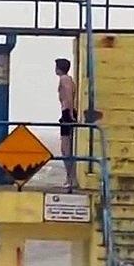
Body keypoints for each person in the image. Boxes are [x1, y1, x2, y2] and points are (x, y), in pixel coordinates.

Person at [54, 58, 79, 188]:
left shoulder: (65, 79)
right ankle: (69, 178)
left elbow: (68, 97)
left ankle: (71, 179)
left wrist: (69, 115)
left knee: (66, 148)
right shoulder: (66, 79)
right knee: (65, 149)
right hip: (66, 113)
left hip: (67, 114)